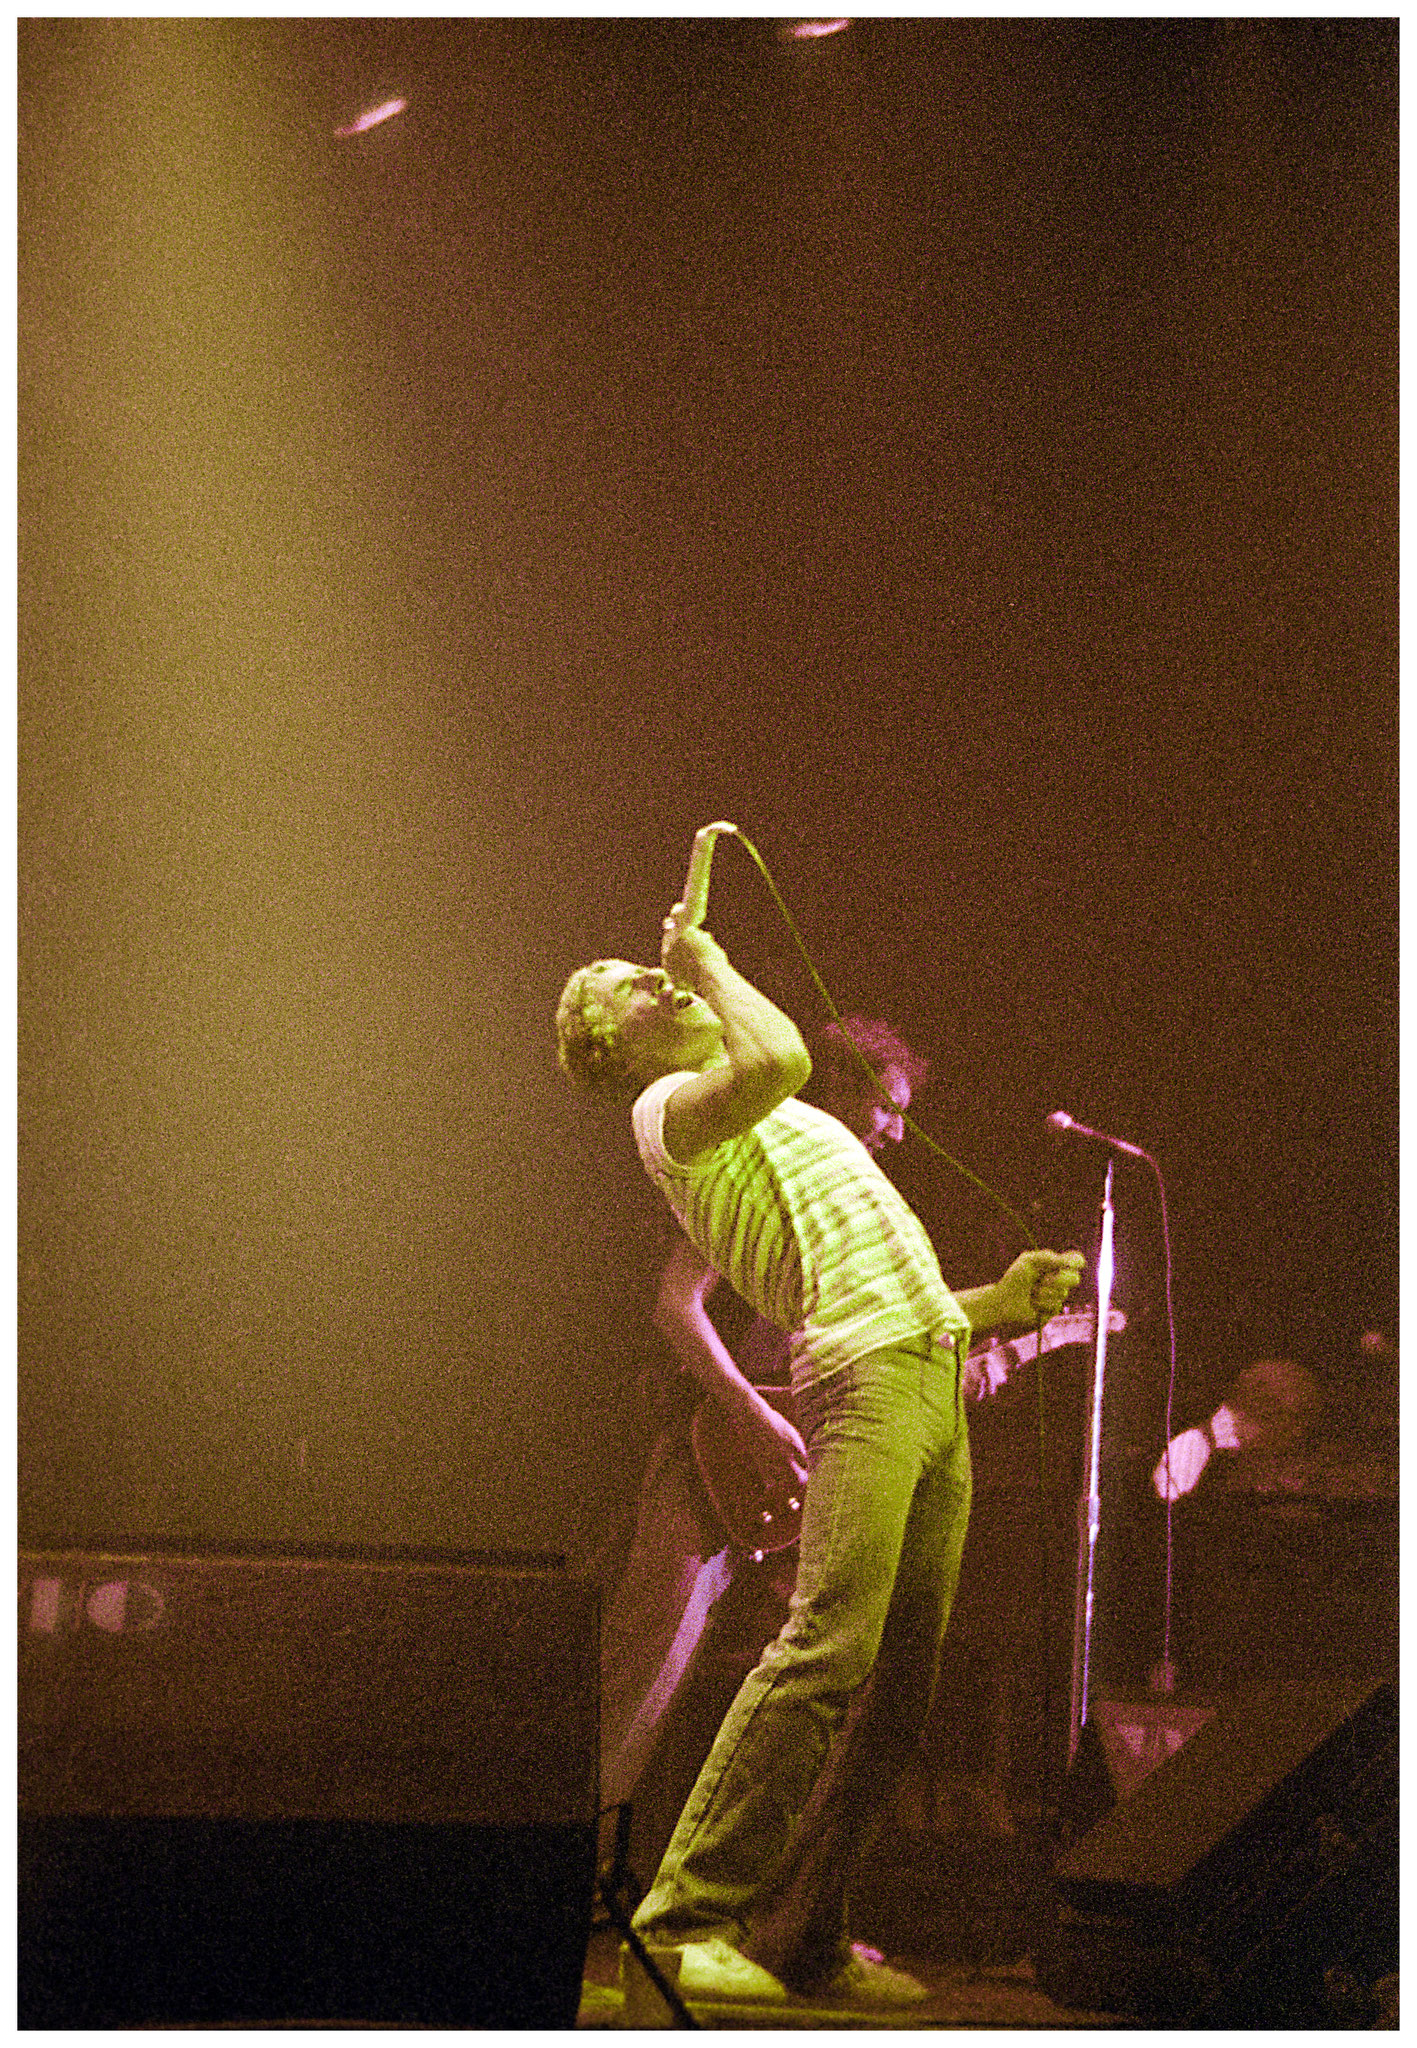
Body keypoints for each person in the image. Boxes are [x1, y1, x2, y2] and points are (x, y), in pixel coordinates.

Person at [556, 907, 1083, 2010]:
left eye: (644, 964)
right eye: (622, 982)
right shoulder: (672, 1110)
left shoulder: (783, 1118)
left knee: (901, 1683)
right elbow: (785, 1050)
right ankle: (683, 1915)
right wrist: (709, 964)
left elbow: (892, 1287)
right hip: (866, 1378)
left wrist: (997, 1303)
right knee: (824, 1644)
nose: (648, 976)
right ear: (612, 1050)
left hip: (927, 1363)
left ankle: (805, 1932)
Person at [598, 1018, 930, 1883]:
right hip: (711, 1457)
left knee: (780, 1701)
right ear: (843, 1091)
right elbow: (675, 1303)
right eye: (887, 1107)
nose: (896, 1130)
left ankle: (715, 1897)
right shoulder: (759, 1163)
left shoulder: (843, 1198)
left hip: (792, 1475)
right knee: (645, 1675)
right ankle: (563, 1881)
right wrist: (747, 1413)